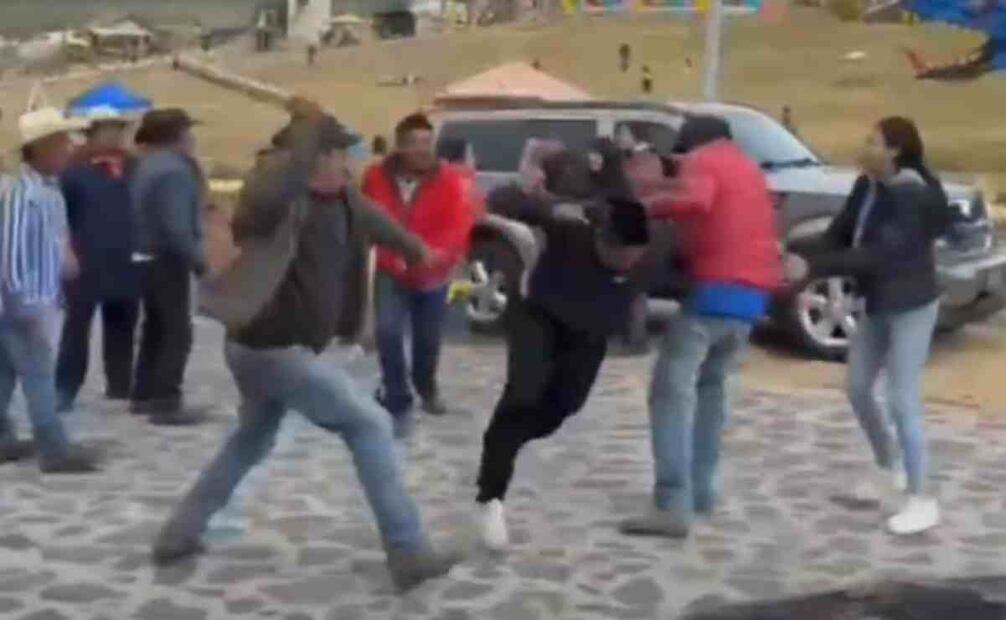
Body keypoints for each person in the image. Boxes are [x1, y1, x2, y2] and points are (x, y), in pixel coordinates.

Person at [152, 98, 460, 591]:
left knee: (250, 440)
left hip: (273, 351)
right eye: (338, 153)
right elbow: (273, 185)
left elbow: (380, 225)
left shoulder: (342, 197)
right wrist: (310, 126)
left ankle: (178, 534)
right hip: (271, 348)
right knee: (370, 424)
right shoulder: (275, 196)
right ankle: (408, 550)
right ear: (316, 156)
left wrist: (422, 251)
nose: (348, 162)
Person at [475, 149, 650, 551]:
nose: (624, 263)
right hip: (539, 313)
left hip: (588, 333)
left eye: (632, 258)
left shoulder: (648, 248)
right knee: (522, 395)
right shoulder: (572, 227)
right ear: (600, 240)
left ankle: (509, 438)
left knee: (562, 407)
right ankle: (490, 496)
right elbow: (500, 199)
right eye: (617, 255)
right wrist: (552, 207)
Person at [620, 116, 782, 539]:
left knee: (669, 390)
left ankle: (673, 502)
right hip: (751, 299)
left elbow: (695, 198)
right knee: (711, 388)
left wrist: (643, 205)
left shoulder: (703, 161)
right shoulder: (747, 167)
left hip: (714, 292)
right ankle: (702, 491)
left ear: (690, 144)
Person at [794, 117, 952, 535]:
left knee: (902, 400)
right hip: (878, 302)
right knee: (858, 387)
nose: (864, 147)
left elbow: (880, 255)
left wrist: (814, 266)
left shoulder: (912, 197)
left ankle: (921, 499)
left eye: (872, 142)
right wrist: (797, 256)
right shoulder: (868, 185)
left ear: (894, 151)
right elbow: (840, 233)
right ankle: (889, 468)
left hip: (912, 304)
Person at [0, 108, 99, 473]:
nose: (68, 149)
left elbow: (51, 239)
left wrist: (65, 259)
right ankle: (54, 449)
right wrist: (23, 303)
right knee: (39, 376)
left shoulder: (47, 190)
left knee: (6, 373)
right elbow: (10, 252)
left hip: (34, 298)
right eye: (61, 142)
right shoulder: (22, 195)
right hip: (24, 303)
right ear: (39, 148)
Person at [363, 113, 477, 430]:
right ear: (399, 146)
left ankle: (427, 387)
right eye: (414, 143)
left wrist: (439, 255)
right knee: (387, 330)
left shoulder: (449, 180)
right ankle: (397, 394)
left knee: (427, 339)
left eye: (427, 143)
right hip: (391, 269)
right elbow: (367, 218)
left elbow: (459, 223)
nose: (422, 150)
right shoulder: (375, 177)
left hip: (432, 273)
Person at [55, 110, 140, 412]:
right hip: (86, 260)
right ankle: (65, 386)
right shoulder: (74, 172)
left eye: (120, 130)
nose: (117, 137)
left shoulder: (134, 167)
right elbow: (61, 217)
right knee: (77, 327)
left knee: (123, 323)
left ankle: (120, 383)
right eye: (109, 131)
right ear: (93, 135)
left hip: (126, 258)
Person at [130, 109, 207, 425]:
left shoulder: (146, 167)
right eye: (188, 132)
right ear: (177, 135)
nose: (192, 138)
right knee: (177, 331)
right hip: (167, 258)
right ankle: (166, 398)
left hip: (144, 255)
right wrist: (199, 260)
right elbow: (176, 227)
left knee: (155, 327)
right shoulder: (175, 172)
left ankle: (144, 393)